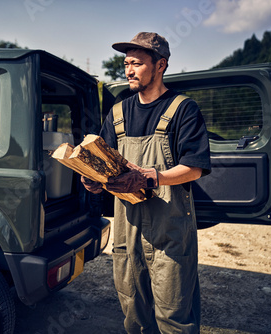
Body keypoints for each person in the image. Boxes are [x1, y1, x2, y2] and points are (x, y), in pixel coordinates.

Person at [82, 32, 211, 333]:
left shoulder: (183, 109)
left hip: (170, 229)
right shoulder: (117, 114)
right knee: (134, 315)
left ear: (160, 65)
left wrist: (154, 176)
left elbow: (196, 167)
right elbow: (105, 163)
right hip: (128, 229)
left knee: (174, 315)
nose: (128, 70)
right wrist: (93, 181)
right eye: (126, 63)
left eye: (137, 63)